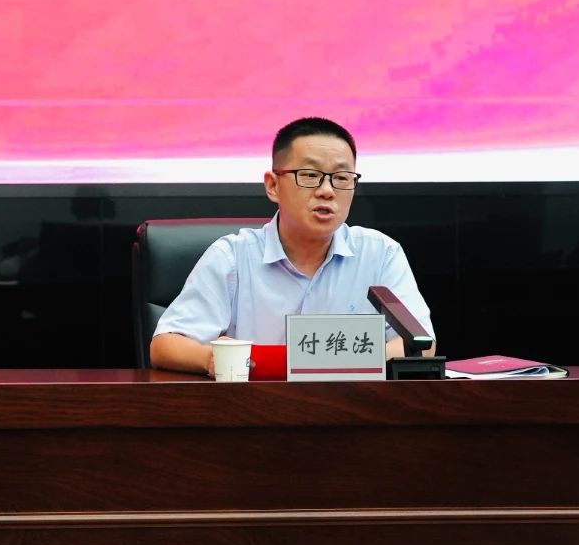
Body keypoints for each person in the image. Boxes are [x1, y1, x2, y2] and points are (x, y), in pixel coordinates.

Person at [150, 116, 434, 375]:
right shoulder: (232, 257)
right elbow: (165, 345)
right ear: (273, 186)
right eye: (309, 175)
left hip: (351, 407)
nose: (327, 191)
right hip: (254, 407)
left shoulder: (380, 254)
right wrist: (213, 358)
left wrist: (331, 360)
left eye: (341, 178)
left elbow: (420, 344)